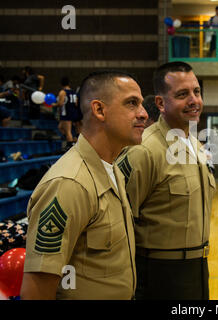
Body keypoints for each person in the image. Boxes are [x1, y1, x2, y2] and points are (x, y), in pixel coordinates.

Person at [20, 70, 148, 299]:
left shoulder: (112, 168)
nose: (144, 114)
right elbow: (36, 291)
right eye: (132, 103)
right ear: (99, 110)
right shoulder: (69, 184)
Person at [117, 61, 216, 300]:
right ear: (160, 103)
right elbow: (119, 222)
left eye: (197, 92)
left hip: (197, 269)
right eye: (182, 94)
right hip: (158, 276)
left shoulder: (195, 145)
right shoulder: (143, 150)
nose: (194, 100)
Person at [52, 77, 82, 148]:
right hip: (74, 112)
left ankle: (70, 145)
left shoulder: (63, 92)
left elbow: (60, 103)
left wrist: (53, 104)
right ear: (69, 83)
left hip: (66, 113)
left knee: (68, 131)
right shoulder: (74, 92)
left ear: (61, 84)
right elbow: (76, 103)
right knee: (60, 127)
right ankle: (73, 140)